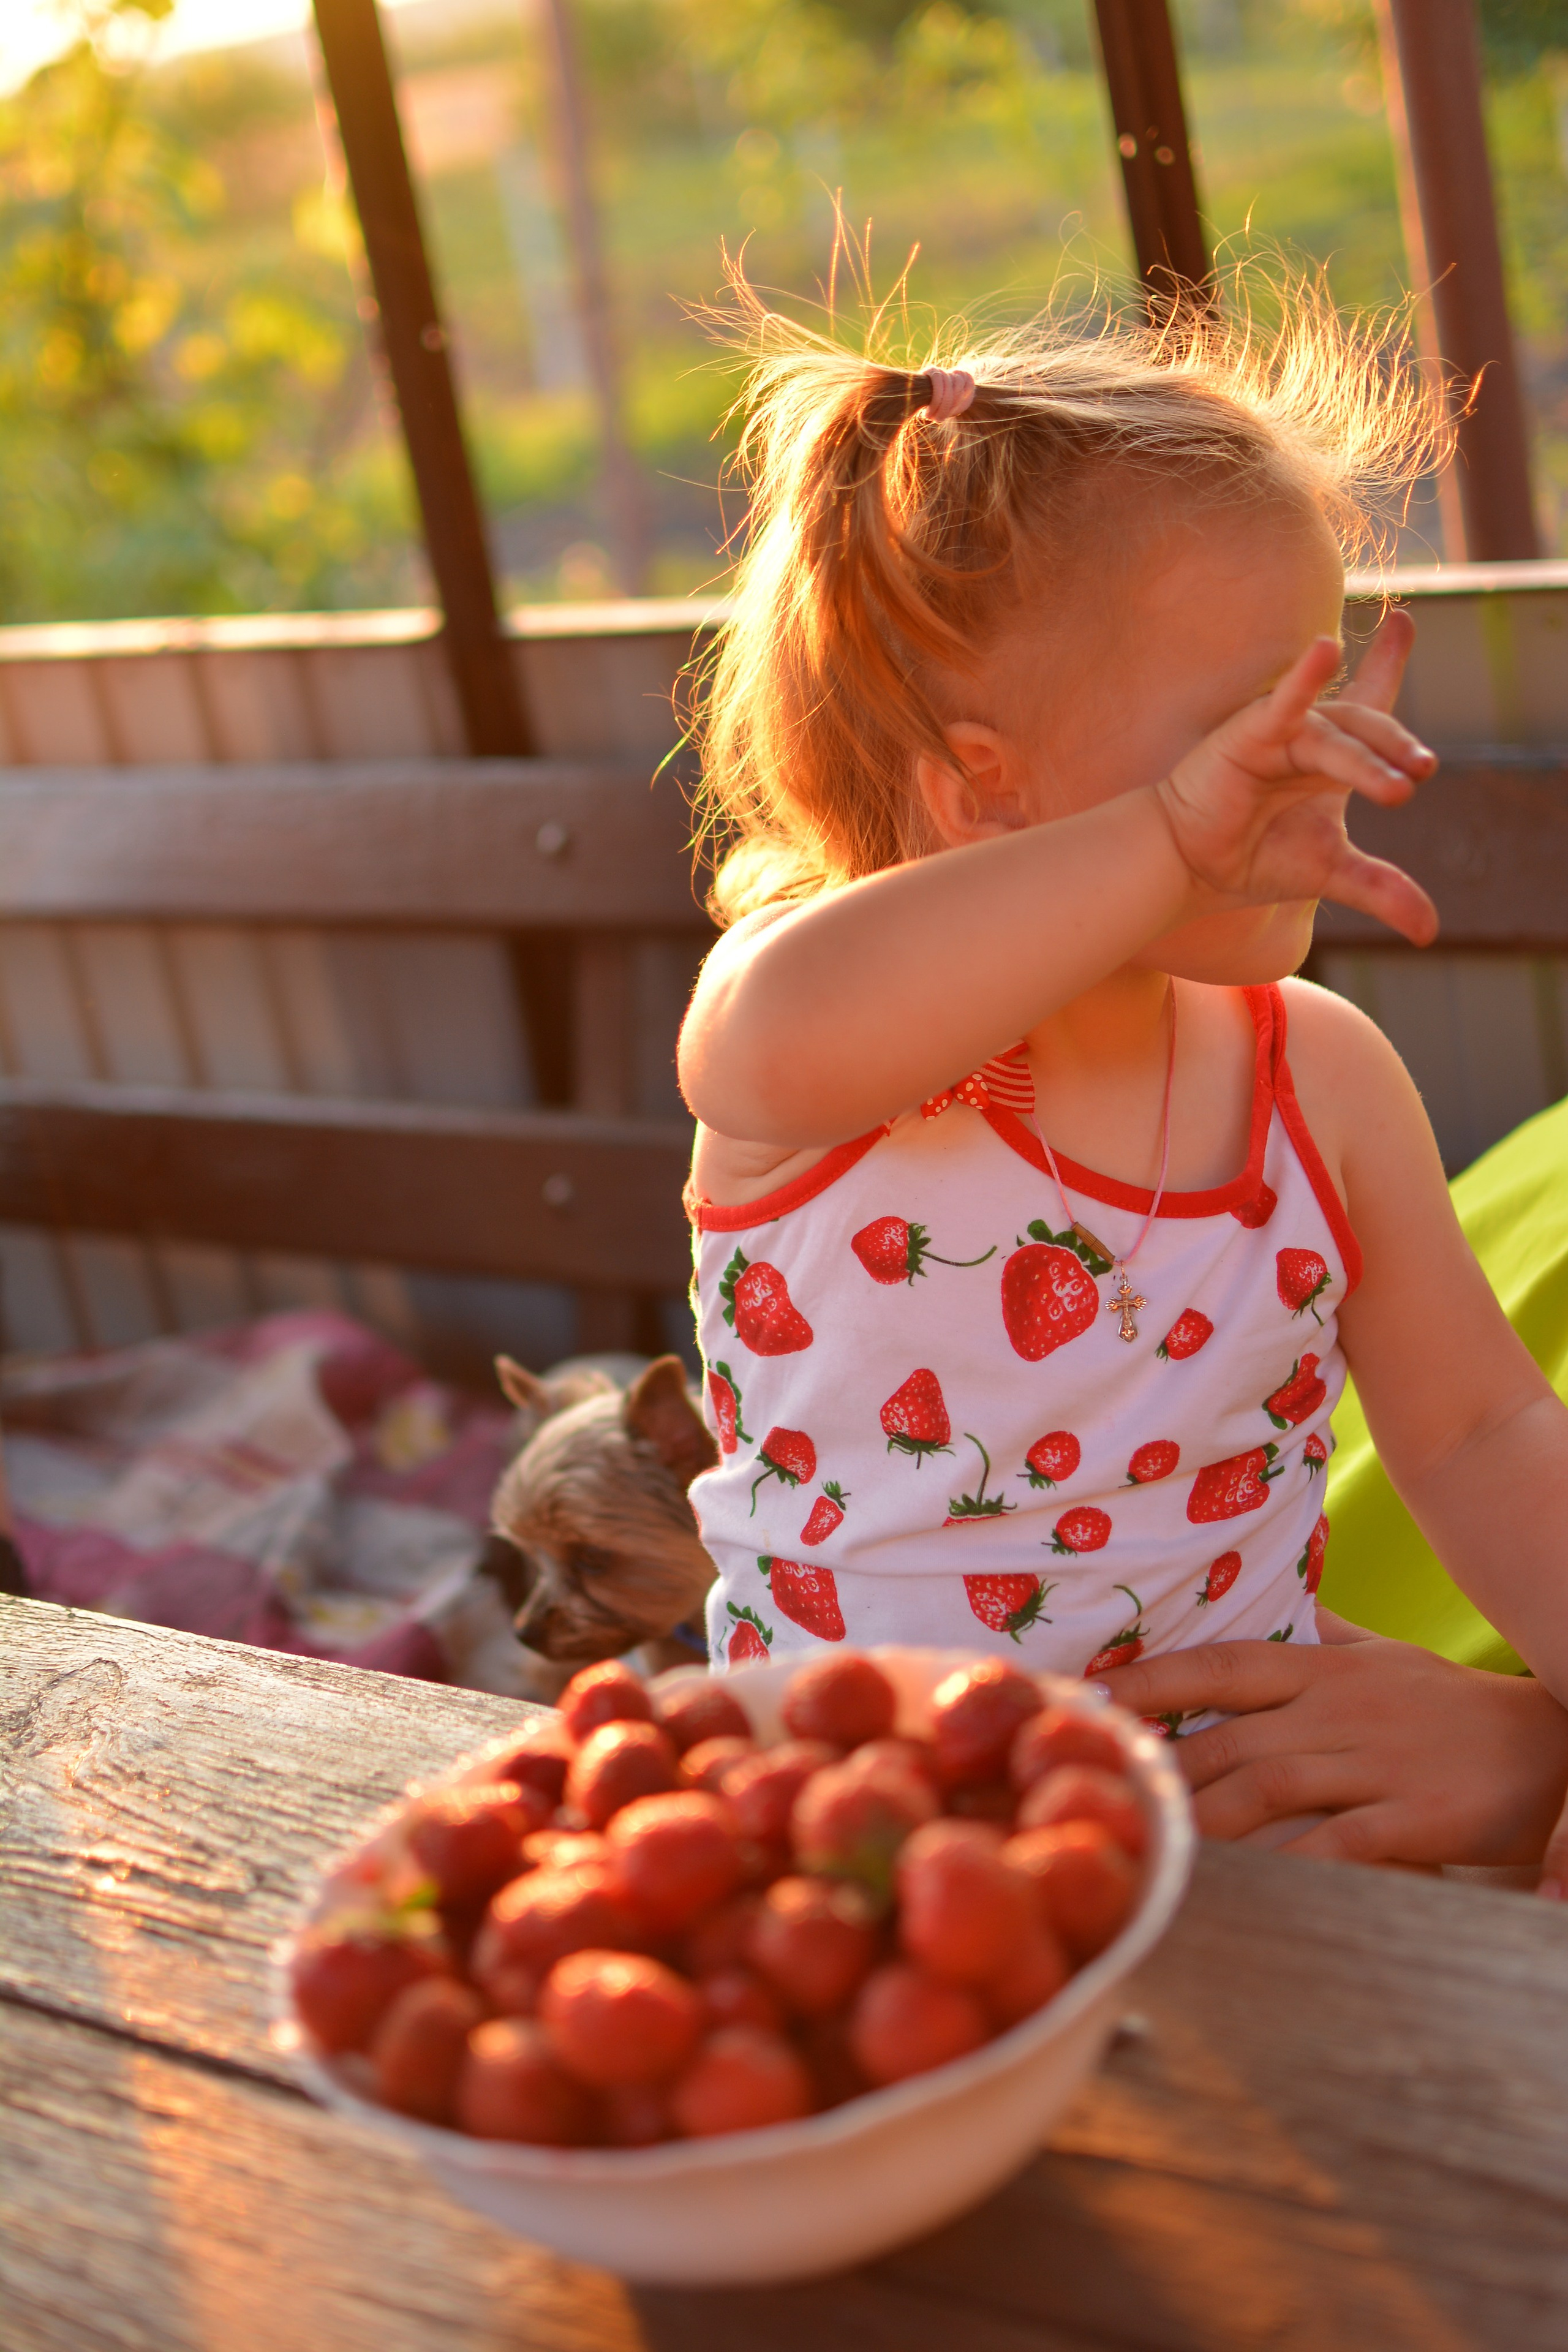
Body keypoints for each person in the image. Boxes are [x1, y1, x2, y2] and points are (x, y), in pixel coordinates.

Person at [676, 273, 1568, 1869]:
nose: (1324, 768)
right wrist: (1169, 841)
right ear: (985, 793)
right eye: (1250, 732)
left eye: (1330, 692)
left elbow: (1481, 1436)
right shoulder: (821, 1044)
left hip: (1236, 1840)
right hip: (853, 1855)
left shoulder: (1324, 1079)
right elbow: (767, 1040)